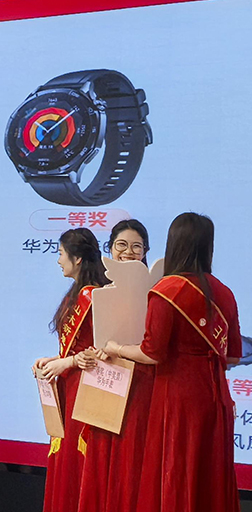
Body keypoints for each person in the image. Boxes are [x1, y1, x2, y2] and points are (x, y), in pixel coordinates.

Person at [103, 213, 241, 512]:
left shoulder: (167, 290)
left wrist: (116, 347)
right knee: (211, 473)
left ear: (173, 244)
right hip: (216, 396)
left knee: (175, 471)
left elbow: (152, 353)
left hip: (177, 397)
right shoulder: (225, 293)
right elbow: (232, 355)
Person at [77, 219, 154, 512]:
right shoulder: (98, 292)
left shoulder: (156, 293)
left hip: (141, 384)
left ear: (145, 252)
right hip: (105, 382)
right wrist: (89, 355)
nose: (128, 252)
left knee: (132, 461)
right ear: (110, 249)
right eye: (121, 245)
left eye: (137, 247)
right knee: (102, 461)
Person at [33, 228, 108, 512]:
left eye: (61, 253)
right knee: (64, 457)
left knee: (77, 460)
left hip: (85, 388)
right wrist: (53, 360)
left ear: (77, 259)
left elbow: (99, 351)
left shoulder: (94, 296)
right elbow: (73, 349)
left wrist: (67, 363)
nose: (58, 260)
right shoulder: (75, 294)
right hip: (69, 385)